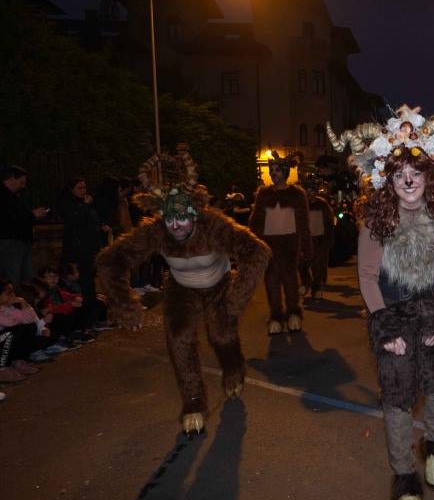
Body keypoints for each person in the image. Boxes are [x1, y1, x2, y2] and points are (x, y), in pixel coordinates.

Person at [327, 92, 434, 500]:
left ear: (429, 175)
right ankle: (405, 479)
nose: (408, 181)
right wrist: (384, 326)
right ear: (388, 181)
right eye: (400, 175)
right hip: (390, 313)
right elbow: (367, 277)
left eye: (415, 173)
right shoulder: (376, 220)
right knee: (397, 397)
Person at [96, 180, 270, 434]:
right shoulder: (156, 231)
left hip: (218, 285)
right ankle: (193, 403)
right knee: (179, 338)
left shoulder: (214, 225)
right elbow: (110, 260)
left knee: (222, 335)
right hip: (181, 289)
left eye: (181, 218)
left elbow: (257, 252)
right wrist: (125, 305)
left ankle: (233, 369)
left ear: (194, 215)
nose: (175, 225)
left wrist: (235, 299)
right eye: (169, 219)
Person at [248, 152, 312, 334]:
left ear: (285, 172)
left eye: (277, 170)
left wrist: (307, 250)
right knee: (271, 282)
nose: (273, 173)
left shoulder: (297, 194)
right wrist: (252, 246)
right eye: (271, 170)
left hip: (290, 245)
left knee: (290, 279)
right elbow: (256, 222)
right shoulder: (263, 194)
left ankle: (293, 313)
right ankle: (276, 315)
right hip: (269, 245)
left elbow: (303, 224)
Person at [57, 178, 104, 332]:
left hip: (90, 251)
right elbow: (75, 221)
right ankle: (84, 322)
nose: (83, 190)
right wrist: (85, 206)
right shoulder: (68, 204)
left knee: (90, 286)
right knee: (82, 287)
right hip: (78, 253)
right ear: (71, 189)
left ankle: (92, 319)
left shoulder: (85, 204)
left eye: (84, 187)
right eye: (79, 188)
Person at [0, 166, 48, 286]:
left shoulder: (14, 197)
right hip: (10, 242)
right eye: (21, 182)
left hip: (21, 241)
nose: (23, 186)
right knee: (13, 278)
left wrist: (34, 217)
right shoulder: (4, 198)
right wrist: (32, 215)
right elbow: (8, 221)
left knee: (26, 279)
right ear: (11, 179)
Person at [0, 279, 44, 382]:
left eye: (13, 292)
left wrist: (22, 302)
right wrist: (21, 319)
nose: (13, 295)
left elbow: (29, 320)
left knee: (30, 327)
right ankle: (2, 368)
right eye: (8, 293)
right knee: (14, 332)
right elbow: (10, 323)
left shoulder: (8, 307)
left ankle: (18, 361)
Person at [300, 177, 335, 299]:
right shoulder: (302, 205)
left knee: (317, 265)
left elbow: (329, 221)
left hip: (320, 239)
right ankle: (306, 284)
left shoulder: (322, 204)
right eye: (308, 192)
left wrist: (329, 238)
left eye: (312, 191)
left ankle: (316, 288)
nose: (310, 194)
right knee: (302, 264)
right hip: (306, 240)